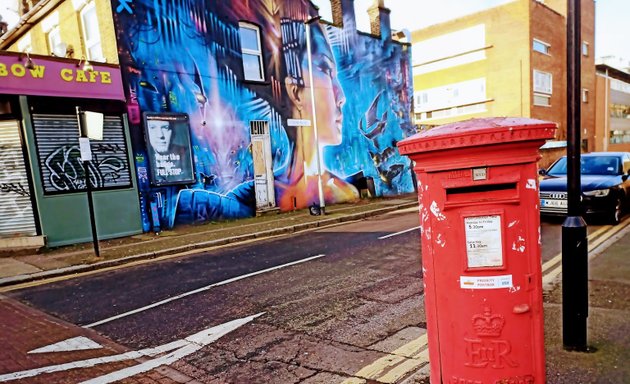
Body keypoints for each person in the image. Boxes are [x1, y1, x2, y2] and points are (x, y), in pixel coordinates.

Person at [277, 18, 358, 210]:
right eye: (325, 69)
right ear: (296, 92)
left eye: (335, 75)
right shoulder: (246, 197)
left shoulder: (346, 191)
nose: (342, 97)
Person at [146, 118, 193, 185]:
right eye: (153, 128)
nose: (160, 135)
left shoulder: (187, 154)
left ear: (173, 133)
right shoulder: (143, 159)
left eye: (165, 128)